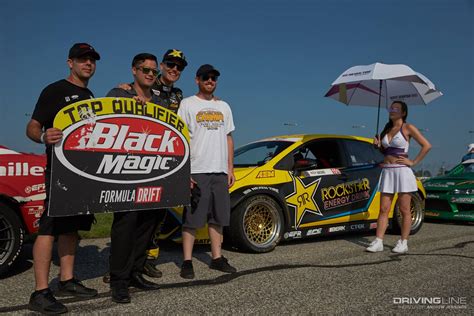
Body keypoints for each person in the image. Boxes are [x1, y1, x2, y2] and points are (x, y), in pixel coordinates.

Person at [26, 43, 100, 314]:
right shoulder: (55, 90)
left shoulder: (90, 95)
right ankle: (40, 291)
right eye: (83, 59)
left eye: (92, 60)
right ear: (70, 62)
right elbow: (32, 126)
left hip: (82, 174)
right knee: (49, 227)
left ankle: (67, 280)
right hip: (60, 172)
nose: (88, 64)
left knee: (71, 227)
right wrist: (44, 136)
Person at [106, 53, 162, 304]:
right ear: (134, 71)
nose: (150, 74)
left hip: (153, 172)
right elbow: (104, 122)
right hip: (125, 173)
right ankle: (118, 280)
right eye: (145, 70)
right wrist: (129, 107)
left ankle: (135, 273)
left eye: (154, 71)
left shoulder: (159, 102)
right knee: (125, 225)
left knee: (147, 224)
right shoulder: (119, 94)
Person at [177, 64, 237, 279]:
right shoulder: (187, 104)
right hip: (197, 169)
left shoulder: (224, 106)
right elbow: (181, 138)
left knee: (218, 218)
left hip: (220, 171)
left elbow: (228, 138)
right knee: (192, 219)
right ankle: (186, 261)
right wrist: (184, 171)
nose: (210, 81)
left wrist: (230, 168)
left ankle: (217, 258)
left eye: (213, 78)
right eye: (206, 77)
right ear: (197, 80)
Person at [366, 101, 431, 254]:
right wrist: (378, 146)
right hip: (388, 171)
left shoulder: (408, 128)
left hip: (402, 171)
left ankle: (403, 242)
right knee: (383, 209)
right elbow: (386, 152)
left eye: (396, 109)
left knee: (404, 209)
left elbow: (427, 145)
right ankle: (379, 241)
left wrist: (413, 162)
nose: (392, 110)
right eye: (391, 108)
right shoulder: (387, 129)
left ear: (403, 113)